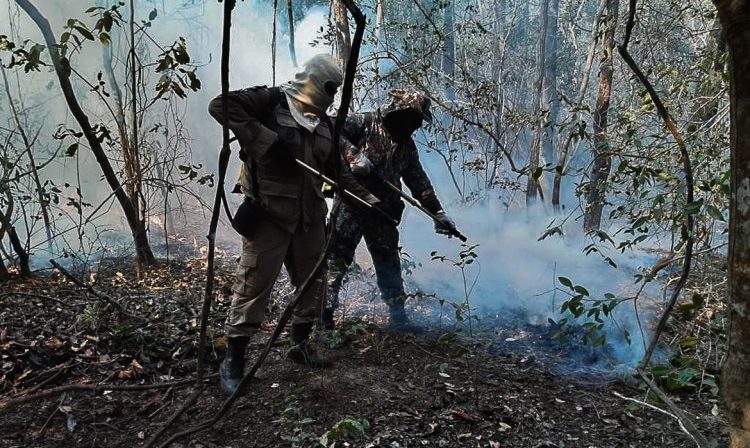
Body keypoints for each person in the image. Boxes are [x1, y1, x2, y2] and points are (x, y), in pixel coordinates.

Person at [208, 54, 381, 395]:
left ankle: (299, 344)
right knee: (254, 285)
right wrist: (266, 142)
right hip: (269, 214)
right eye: (328, 87)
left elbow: (339, 173)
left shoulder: (326, 125)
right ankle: (234, 359)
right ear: (314, 80)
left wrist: (369, 201)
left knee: (313, 283)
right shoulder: (270, 101)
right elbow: (220, 105)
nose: (331, 96)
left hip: (309, 217)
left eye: (336, 90)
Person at [323, 89, 457, 332]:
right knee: (335, 260)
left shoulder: (406, 146)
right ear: (399, 111)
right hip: (351, 205)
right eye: (414, 118)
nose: (416, 125)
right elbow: (330, 132)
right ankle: (324, 316)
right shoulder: (363, 123)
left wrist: (437, 213)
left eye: (419, 121)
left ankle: (398, 317)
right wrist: (352, 155)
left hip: (383, 212)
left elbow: (419, 181)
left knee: (389, 264)